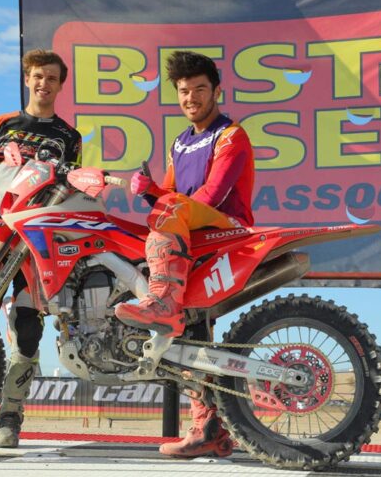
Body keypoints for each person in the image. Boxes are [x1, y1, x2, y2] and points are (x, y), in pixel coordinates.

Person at [115, 51, 255, 458]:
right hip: (192, 232)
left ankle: (162, 300)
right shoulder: (180, 141)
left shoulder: (232, 136)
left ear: (216, 91)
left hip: (225, 230)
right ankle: (207, 429)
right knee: (189, 332)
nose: (191, 97)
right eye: (183, 91)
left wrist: (163, 198)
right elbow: (173, 195)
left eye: (199, 89)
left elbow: (211, 196)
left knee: (169, 213)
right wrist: (150, 189)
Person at [0, 49, 82, 448]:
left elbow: (69, 194)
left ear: (61, 85)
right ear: (26, 80)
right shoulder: (2, 124)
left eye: (51, 78)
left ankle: (9, 414)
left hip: (38, 243)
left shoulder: (69, 137)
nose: (43, 84)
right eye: (36, 76)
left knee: (28, 328)